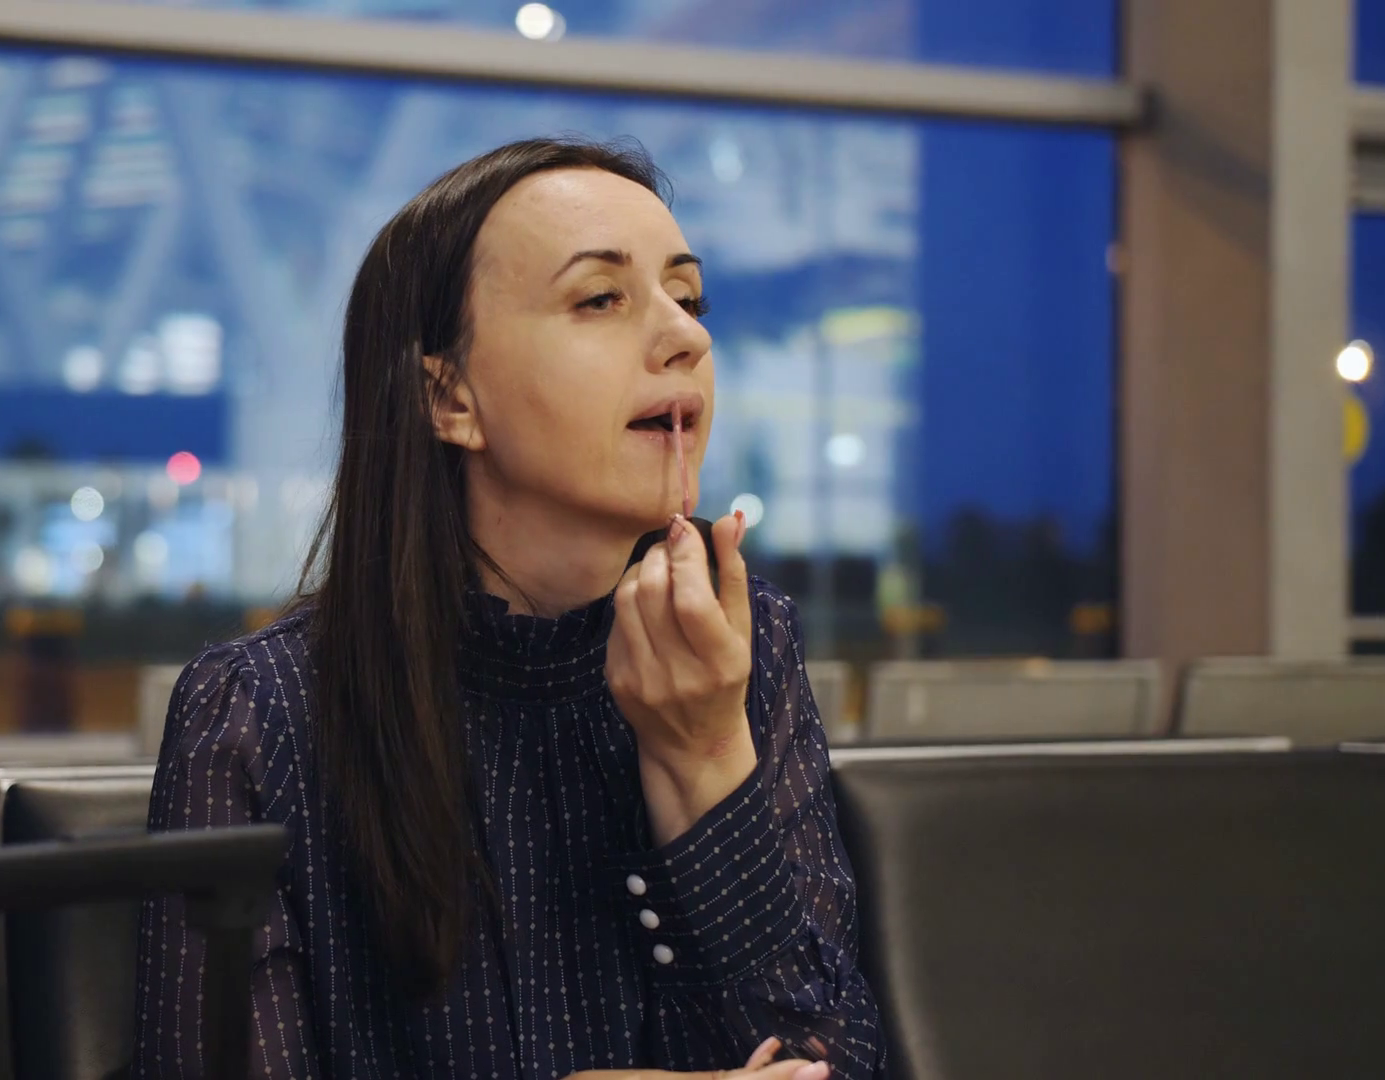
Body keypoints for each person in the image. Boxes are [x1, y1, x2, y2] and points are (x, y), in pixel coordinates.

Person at [133, 137, 883, 1080]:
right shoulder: (261, 710)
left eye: (688, 299)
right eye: (600, 299)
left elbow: (837, 1057)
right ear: (449, 397)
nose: (686, 339)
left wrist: (703, 756)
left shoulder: (742, 644)